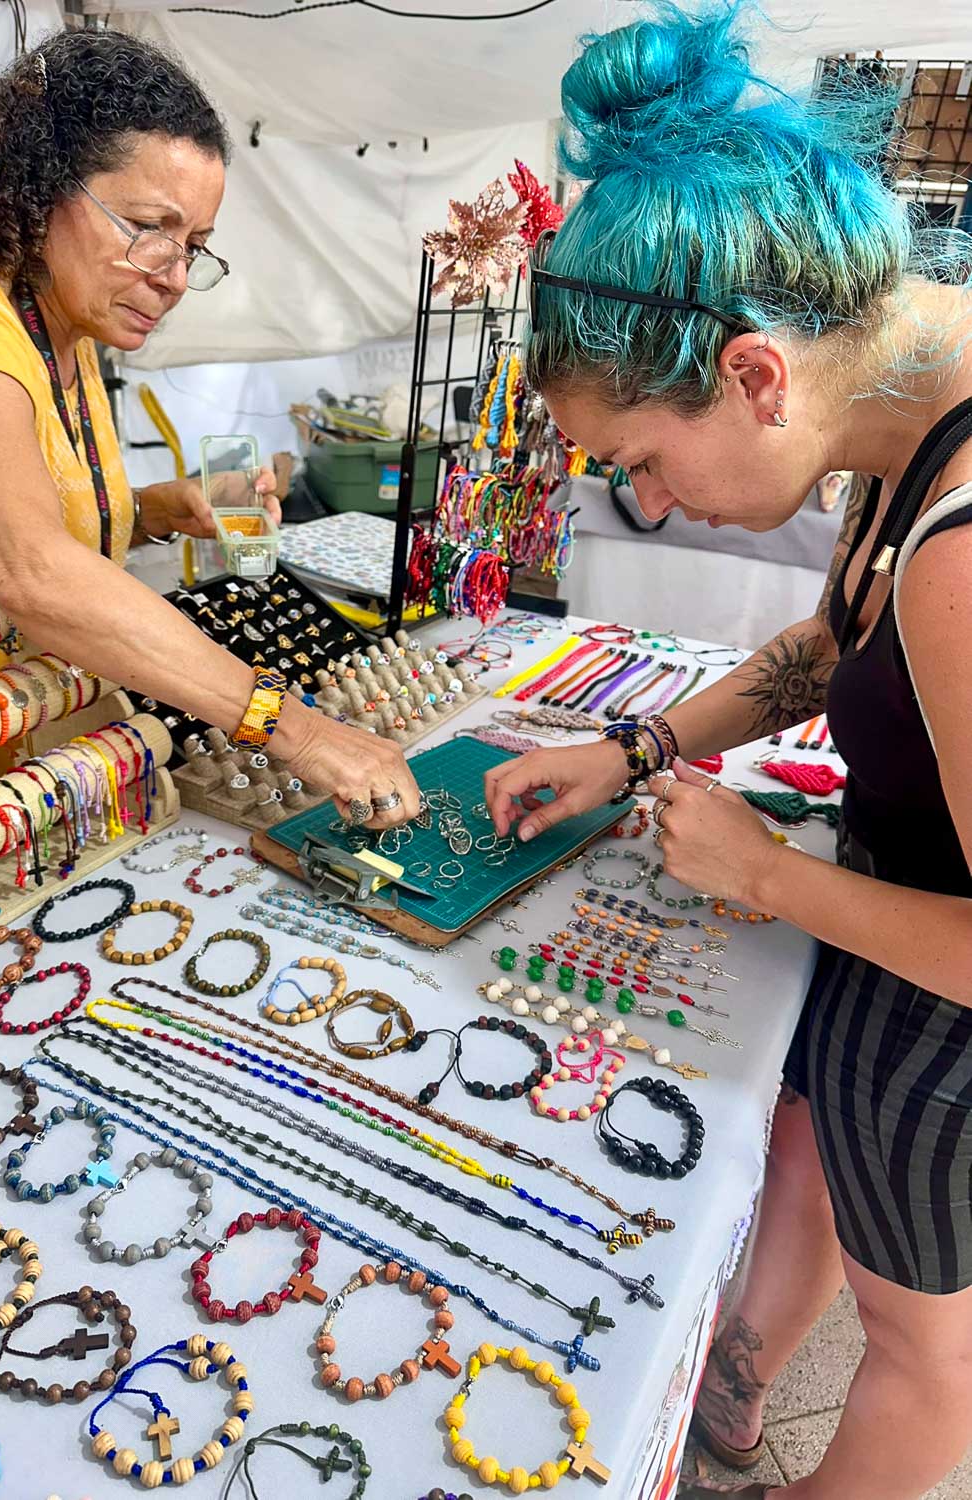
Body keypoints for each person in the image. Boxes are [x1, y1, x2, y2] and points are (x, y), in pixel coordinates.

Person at [485, 8, 972, 1499]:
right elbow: (832, 647)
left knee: (922, 1360)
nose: (642, 491)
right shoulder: (896, 416)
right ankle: (729, 1403)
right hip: (895, 950)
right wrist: (633, 748)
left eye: (635, 460)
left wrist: (766, 873)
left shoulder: (963, 549)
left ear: (754, 376)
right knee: (808, 1180)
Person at [0, 29, 417, 828]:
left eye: (195, 247)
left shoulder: (64, 331)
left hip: (14, 750)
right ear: (42, 187)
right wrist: (295, 728)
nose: (175, 275)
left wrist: (152, 508)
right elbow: (30, 569)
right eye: (150, 227)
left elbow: (13, 507)